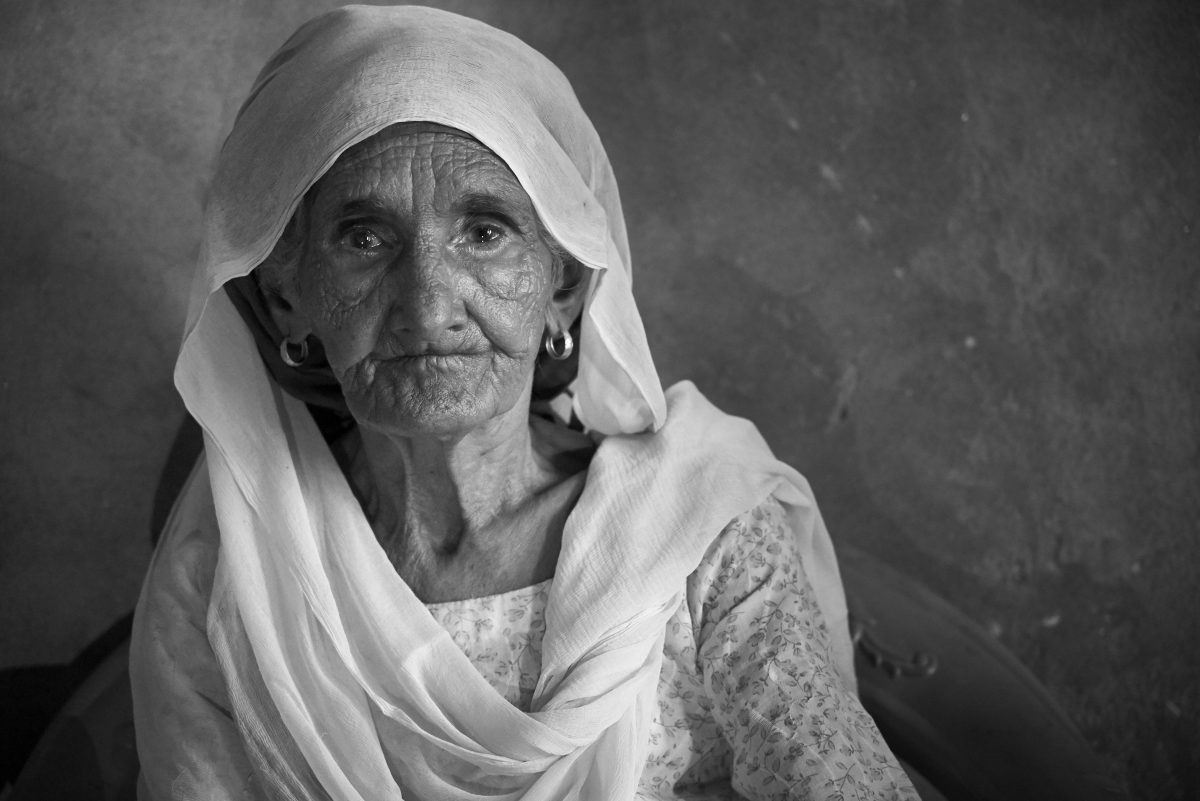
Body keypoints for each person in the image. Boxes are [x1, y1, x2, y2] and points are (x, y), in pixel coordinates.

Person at [130, 5, 919, 800]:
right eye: (365, 238)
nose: (429, 307)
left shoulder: (700, 530)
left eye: (485, 232)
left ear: (562, 285)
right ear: (287, 297)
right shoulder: (235, 574)